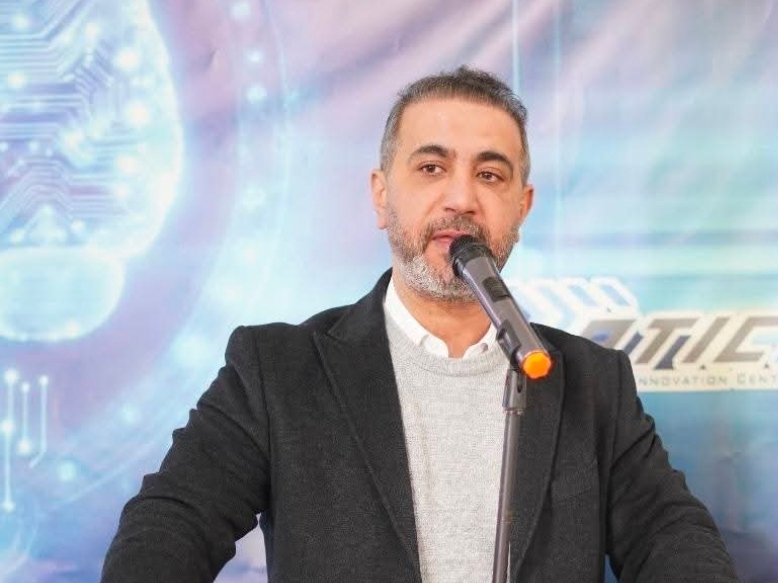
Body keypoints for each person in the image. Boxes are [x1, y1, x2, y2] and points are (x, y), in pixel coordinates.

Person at [102, 66, 739, 582]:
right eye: (431, 168)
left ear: (522, 207)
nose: (461, 198)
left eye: (489, 174)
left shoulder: (592, 382)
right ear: (382, 195)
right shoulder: (276, 370)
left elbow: (669, 535)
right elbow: (173, 522)